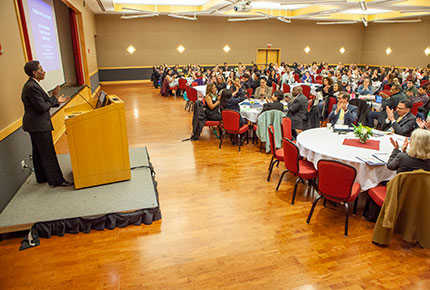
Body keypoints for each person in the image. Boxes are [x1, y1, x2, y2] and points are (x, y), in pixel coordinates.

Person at [21, 60, 73, 187]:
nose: (44, 72)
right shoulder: (32, 87)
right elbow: (42, 107)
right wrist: (54, 98)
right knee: (48, 153)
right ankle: (57, 180)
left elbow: (45, 102)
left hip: (35, 124)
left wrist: (56, 100)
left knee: (39, 152)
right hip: (38, 125)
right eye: (41, 69)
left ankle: (42, 177)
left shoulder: (33, 84)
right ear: (34, 73)